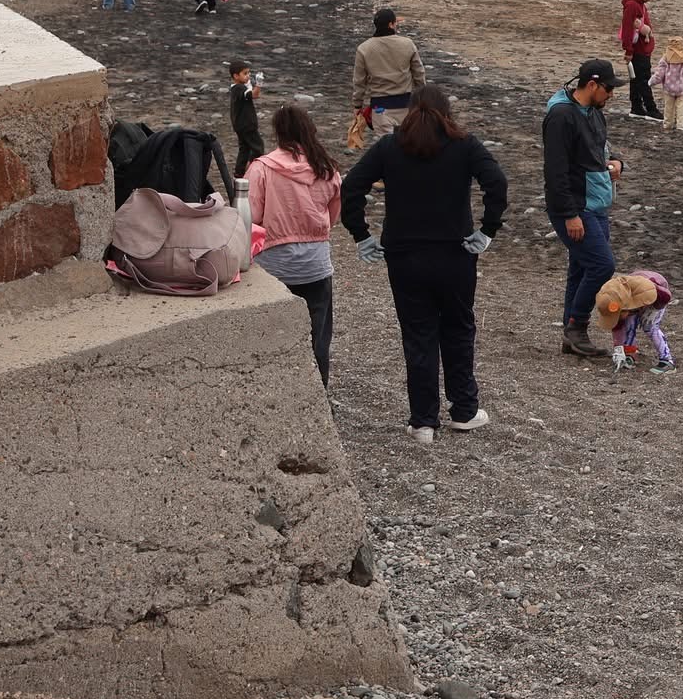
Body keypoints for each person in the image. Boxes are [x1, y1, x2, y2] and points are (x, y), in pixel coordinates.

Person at [343, 85, 508, 441]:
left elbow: (351, 187)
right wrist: (487, 230)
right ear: (447, 113)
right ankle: (464, 410)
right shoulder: (465, 145)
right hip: (455, 254)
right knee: (458, 329)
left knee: (418, 334)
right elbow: (496, 182)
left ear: (411, 110)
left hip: (404, 257)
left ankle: (423, 422)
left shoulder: (391, 146)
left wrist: (362, 235)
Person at [245, 104, 342, 386]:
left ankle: (277, 391)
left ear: (278, 133)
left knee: (271, 337)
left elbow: (251, 219)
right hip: (315, 264)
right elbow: (333, 216)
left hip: (274, 267)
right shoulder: (326, 168)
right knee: (318, 338)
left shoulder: (261, 168)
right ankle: (318, 396)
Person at [543, 59, 626, 356]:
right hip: (578, 207)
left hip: (596, 203)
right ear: (591, 85)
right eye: (608, 89)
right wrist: (569, 214)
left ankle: (572, 336)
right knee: (602, 265)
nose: (612, 95)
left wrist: (617, 163)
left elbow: (600, 149)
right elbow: (556, 171)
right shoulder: (561, 116)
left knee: (580, 268)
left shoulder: (592, 111)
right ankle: (577, 326)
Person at [352, 7, 425, 133]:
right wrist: (423, 97)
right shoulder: (407, 44)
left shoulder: (364, 49)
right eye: (395, 22)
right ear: (391, 24)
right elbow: (419, 73)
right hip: (405, 104)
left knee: (387, 147)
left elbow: (359, 81)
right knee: (407, 143)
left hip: (380, 107)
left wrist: (357, 105)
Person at [592, 270, 676, 374]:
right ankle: (629, 354)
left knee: (649, 326)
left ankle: (667, 360)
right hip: (631, 303)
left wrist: (655, 309)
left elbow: (665, 296)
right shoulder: (616, 300)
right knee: (628, 324)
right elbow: (617, 326)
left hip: (655, 298)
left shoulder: (647, 289)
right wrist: (618, 349)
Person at [620, 0, 661, 121]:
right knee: (644, 79)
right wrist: (629, 51)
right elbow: (627, 29)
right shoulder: (632, 5)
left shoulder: (639, 4)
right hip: (638, 49)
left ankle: (636, 108)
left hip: (641, 48)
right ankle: (651, 109)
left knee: (636, 79)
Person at [649, 35, 683, 131]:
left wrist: (651, 81)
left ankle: (668, 124)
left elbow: (659, 74)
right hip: (682, 88)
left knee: (668, 107)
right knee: (681, 107)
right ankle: (681, 125)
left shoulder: (665, 59)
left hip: (669, 88)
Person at [226, 58, 264, 177]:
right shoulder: (239, 89)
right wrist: (258, 84)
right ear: (236, 76)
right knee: (258, 147)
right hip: (247, 125)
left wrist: (250, 84)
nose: (248, 76)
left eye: (248, 73)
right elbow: (254, 95)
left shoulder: (236, 88)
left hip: (240, 125)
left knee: (245, 149)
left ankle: (239, 173)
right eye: (245, 74)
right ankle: (253, 169)